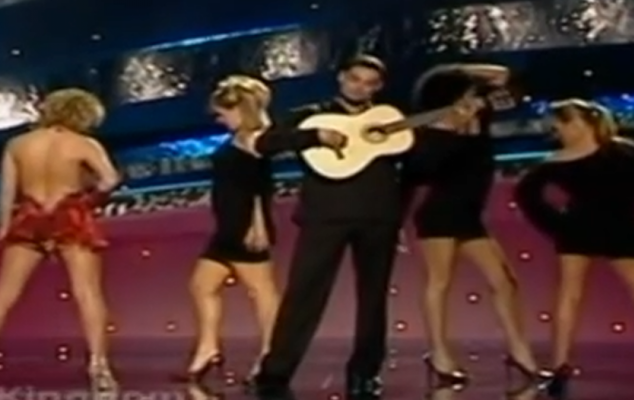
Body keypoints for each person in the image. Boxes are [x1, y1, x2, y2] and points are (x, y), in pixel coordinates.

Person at [249, 55, 400, 398]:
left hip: (378, 216)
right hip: (325, 215)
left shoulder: (388, 119)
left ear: (378, 87)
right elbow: (265, 143)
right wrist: (314, 136)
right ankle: (275, 373)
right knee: (304, 293)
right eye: (355, 79)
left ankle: (365, 373)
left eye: (369, 83)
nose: (359, 87)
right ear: (342, 78)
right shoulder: (311, 114)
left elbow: (411, 162)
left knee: (374, 298)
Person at [178, 76, 344, 383]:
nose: (219, 120)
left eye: (223, 113)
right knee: (202, 285)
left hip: (244, 227)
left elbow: (260, 184)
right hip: (227, 227)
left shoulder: (256, 140)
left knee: (262, 291)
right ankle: (209, 347)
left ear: (241, 110)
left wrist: (317, 136)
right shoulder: (244, 137)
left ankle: (270, 354)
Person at [514, 99, 634, 388]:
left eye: (559, 127)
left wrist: (556, 225)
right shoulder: (627, 152)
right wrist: (556, 226)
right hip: (608, 227)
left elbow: (526, 195)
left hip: (596, 228)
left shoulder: (567, 159)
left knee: (578, 296)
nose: (557, 133)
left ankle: (560, 366)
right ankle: (560, 366)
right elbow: (526, 194)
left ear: (576, 124)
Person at [404, 64, 542, 386]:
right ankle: (439, 354)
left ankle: (519, 350)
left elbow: (513, 84)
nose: (473, 99)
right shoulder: (427, 133)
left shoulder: (482, 117)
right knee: (440, 282)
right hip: (440, 215)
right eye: (465, 95)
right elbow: (414, 177)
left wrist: (463, 70)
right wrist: (454, 128)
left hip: (469, 217)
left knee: (504, 281)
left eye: (472, 94)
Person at [0, 89, 120, 390]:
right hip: (70, 215)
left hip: (29, 217)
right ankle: (99, 367)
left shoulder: (18, 145)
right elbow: (110, 180)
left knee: (4, 293)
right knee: (87, 293)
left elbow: (6, 195)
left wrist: (4, 228)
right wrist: (89, 200)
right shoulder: (84, 144)